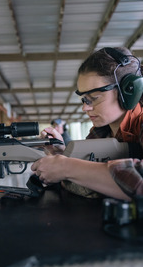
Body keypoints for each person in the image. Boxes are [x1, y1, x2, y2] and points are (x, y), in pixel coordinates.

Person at [31, 47, 143, 201]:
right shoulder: (101, 132)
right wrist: (62, 156)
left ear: (129, 91)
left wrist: (67, 167)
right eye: (84, 99)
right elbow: (90, 172)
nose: (85, 108)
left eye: (94, 98)